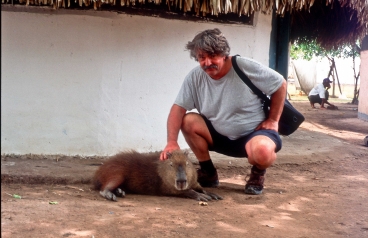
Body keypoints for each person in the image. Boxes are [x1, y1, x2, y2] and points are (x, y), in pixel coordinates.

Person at [159, 28, 287, 195]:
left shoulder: (244, 66)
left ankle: (257, 174)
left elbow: (280, 84)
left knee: (262, 152)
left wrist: (273, 120)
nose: (207, 62)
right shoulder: (195, 77)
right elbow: (177, 109)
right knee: (187, 120)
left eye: (213, 56)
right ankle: (208, 172)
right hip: (219, 137)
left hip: (254, 135)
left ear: (224, 54)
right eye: (202, 58)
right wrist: (171, 142)